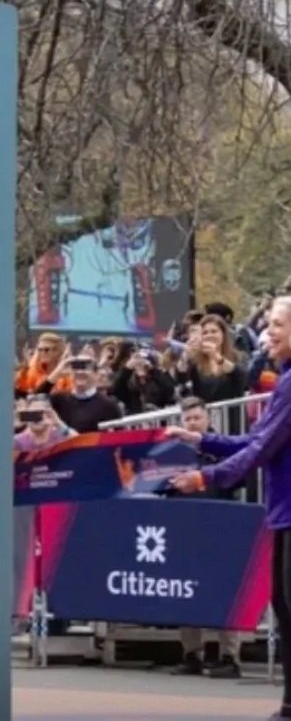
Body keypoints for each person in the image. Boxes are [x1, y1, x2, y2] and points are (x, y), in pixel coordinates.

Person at [168, 295, 291, 718]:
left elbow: (260, 450)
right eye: (269, 324)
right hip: (282, 511)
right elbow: (255, 440)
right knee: (283, 605)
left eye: (278, 324)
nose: (268, 333)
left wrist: (205, 477)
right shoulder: (284, 380)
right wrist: (202, 440)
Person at [157, 396, 243, 678]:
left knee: (224, 592)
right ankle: (191, 654)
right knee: (185, 590)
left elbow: (239, 478)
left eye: (197, 418)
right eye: (187, 419)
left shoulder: (223, 448)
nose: (192, 423)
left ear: (208, 419)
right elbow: (160, 485)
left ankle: (229, 657)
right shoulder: (173, 452)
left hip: (220, 527)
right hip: (183, 527)